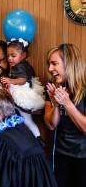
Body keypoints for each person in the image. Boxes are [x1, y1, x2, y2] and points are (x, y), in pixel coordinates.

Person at [44, 43, 86, 187]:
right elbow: (50, 125)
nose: (50, 69)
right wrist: (55, 104)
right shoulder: (53, 86)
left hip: (83, 157)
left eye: (54, 64)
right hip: (61, 155)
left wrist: (67, 103)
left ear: (70, 64)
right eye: (49, 64)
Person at [0, 38, 45, 137]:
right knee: (27, 120)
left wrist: (10, 80)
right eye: (8, 56)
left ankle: (37, 138)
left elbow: (23, 80)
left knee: (26, 119)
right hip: (27, 90)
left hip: (23, 93)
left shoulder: (19, 66)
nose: (10, 59)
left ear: (23, 55)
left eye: (13, 56)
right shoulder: (24, 65)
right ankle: (36, 138)